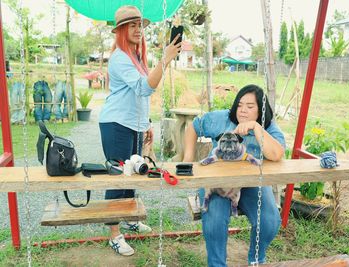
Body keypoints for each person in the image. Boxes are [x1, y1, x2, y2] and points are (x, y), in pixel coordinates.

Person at [98, 5, 181, 256]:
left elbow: (140, 96)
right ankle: (114, 234)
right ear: (121, 30)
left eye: (140, 26)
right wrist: (165, 59)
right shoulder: (120, 57)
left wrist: (145, 124)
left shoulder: (135, 56)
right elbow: (145, 88)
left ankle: (130, 219)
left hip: (133, 125)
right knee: (119, 178)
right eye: (131, 26)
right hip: (116, 125)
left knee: (133, 174)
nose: (138, 30)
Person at [183, 84, 285, 266]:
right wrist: (188, 157)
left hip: (252, 185)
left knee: (269, 220)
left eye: (250, 106)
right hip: (218, 183)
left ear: (261, 110)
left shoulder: (268, 127)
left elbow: (277, 154)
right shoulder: (221, 119)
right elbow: (194, 127)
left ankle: (256, 260)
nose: (243, 110)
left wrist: (256, 127)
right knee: (215, 218)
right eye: (239, 105)